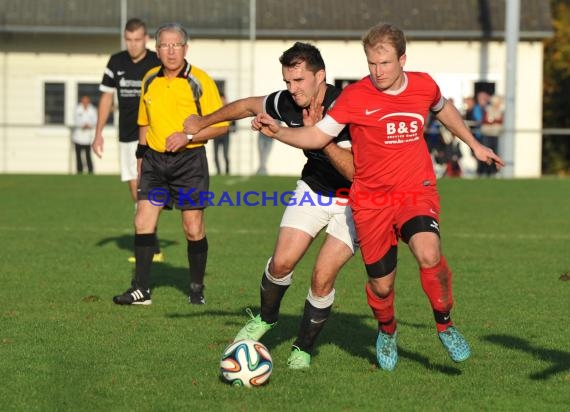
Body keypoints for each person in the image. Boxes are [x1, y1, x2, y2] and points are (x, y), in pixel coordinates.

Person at [253, 23, 505, 371]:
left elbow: (442, 107)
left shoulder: (423, 85)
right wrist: (279, 131)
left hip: (414, 191)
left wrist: (474, 143)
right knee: (382, 287)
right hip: (370, 202)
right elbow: (316, 138)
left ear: (402, 59)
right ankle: (387, 330)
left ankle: (445, 325)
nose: (378, 71)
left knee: (429, 252)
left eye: (384, 63)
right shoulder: (355, 96)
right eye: (371, 63)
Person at [183, 42, 357, 369]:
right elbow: (249, 106)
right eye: (287, 81)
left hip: (356, 200)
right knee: (281, 263)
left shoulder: (347, 106)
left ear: (321, 76)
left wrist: (318, 134)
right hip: (313, 190)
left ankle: (302, 349)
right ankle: (266, 318)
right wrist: (202, 122)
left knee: (322, 277)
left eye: (299, 81)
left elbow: (355, 171)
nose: (292, 90)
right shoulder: (289, 100)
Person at [112, 22, 229, 306]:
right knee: (142, 221)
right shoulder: (149, 79)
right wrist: (140, 157)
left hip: (189, 163)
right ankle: (141, 289)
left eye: (176, 45)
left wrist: (188, 136)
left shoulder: (200, 80)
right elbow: (144, 122)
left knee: (192, 227)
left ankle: (196, 287)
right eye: (165, 45)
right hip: (153, 161)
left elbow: (222, 126)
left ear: (186, 48)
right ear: (158, 49)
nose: (171, 51)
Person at [92, 18, 164, 262]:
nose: (133, 45)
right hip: (125, 136)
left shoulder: (157, 62)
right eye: (129, 40)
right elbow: (105, 98)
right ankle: (150, 238)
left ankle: (147, 243)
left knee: (146, 189)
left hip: (151, 136)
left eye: (137, 40)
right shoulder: (116, 61)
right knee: (135, 191)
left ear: (146, 39)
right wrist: (98, 132)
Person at [72, 95, 97, 175]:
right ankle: (79, 171)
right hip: (78, 137)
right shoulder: (77, 109)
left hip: (88, 137)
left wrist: (89, 125)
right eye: (83, 101)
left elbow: (95, 120)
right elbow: (75, 120)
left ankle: (90, 170)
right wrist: (82, 125)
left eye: (86, 101)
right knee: (78, 156)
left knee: (88, 155)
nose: (85, 102)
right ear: (81, 101)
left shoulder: (92, 109)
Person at [213, 94, 233, 175]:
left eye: (223, 99)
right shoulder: (216, 109)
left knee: (225, 155)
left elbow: (234, 120)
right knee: (216, 156)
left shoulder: (230, 109)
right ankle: (218, 172)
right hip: (216, 135)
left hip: (225, 135)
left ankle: (227, 172)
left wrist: (231, 127)